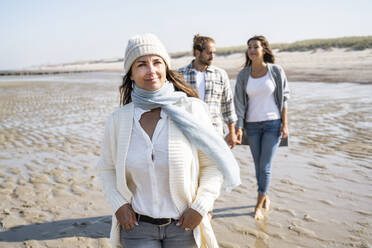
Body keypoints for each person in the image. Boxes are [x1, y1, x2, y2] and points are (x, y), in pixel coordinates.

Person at [97, 33, 241, 248]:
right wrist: (118, 205)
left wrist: (201, 207)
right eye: (141, 64)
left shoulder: (192, 110)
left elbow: (212, 166)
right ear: (131, 74)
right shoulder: (118, 120)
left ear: (166, 67)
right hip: (136, 228)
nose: (151, 70)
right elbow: (106, 169)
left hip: (184, 226)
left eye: (157, 62)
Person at [234, 35, 290, 221]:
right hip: (252, 126)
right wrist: (239, 127)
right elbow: (239, 103)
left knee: (265, 166)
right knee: (258, 166)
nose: (251, 50)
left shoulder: (275, 71)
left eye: (255, 46)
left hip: (273, 124)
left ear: (264, 49)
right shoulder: (243, 75)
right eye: (249, 47)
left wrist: (285, 124)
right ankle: (265, 194)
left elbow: (285, 99)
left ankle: (258, 205)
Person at [179, 35, 238, 148]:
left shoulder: (220, 74)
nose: (212, 56)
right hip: (188, 131)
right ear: (197, 52)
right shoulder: (180, 75)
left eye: (214, 53)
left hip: (214, 131)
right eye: (209, 53)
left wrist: (232, 132)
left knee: (214, 165)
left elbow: (228, 104)